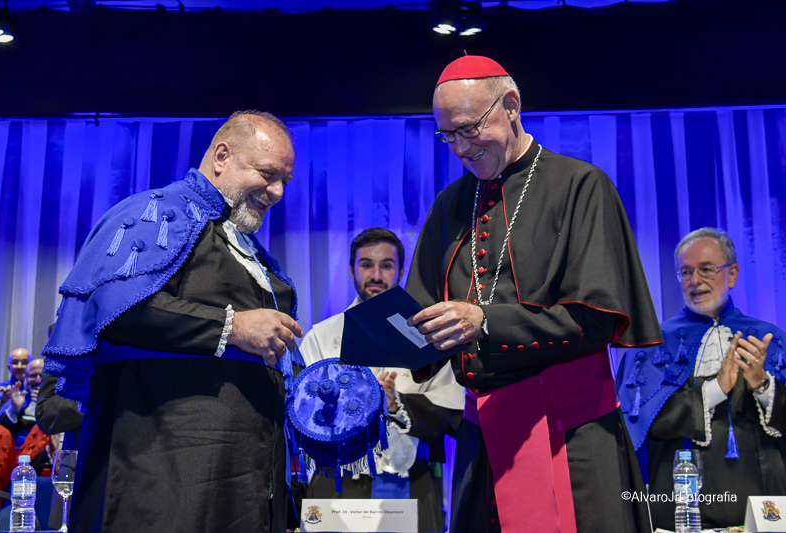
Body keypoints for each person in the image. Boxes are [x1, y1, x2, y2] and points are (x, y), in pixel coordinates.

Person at [404, 54, 663, 533]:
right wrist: (388, 342)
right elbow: (419, 318)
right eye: (448, 136)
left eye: (469, 129)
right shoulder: (448, 206)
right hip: (483, 441)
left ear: (511, 105)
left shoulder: (581, 186)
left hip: (571, 433)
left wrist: (484, 321)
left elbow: (596, 320)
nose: (460, 148)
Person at [42, 111, 304, 533]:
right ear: (222, 156)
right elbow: (116, 311)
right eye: (267, 174)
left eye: (284, 182)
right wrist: (234, 327)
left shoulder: (248, 247)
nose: (276, 192)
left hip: (247, 486)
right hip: (162, 483)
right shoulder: (156, 213)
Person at [618, 228, 786, 529]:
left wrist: (761, 384)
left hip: (764, 503)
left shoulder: (770, 338)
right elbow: (638, 423)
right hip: (682, 502)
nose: (695, 281)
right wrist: (715, 390)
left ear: (731, 274)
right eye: (686, 272)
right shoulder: (653, 343)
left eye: (707, 269)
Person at [300, 228, 463, 532]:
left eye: (387, 265)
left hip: (409, 480)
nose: (376, 275)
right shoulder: (321, 336)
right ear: (352, 270)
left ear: (401, 270)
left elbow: (452, 410)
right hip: (335, 479)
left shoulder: (429, 338)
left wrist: (396, 404)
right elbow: (301, 411)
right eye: (366, 265)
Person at [0, 358, 44, 447]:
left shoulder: (59, 402)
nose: (37, 381)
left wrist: (45, 406)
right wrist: (14, 409)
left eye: (42, 376)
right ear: (25, 378)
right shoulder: (15, 400)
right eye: (33, 376)